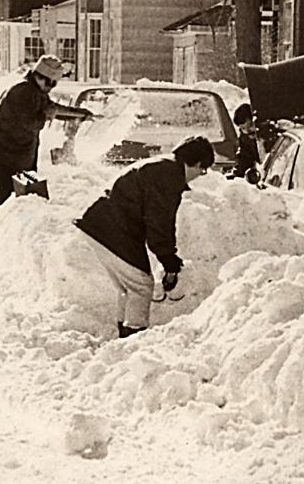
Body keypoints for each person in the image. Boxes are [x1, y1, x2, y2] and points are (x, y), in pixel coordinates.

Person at [75, 136, 215, 338]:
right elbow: (159, 224)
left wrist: (168, 258)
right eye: (203, 170)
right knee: (141, 285)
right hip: (113, 228)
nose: (200, 175)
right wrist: (169, 261)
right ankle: (133, 338)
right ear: (197, 163)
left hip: (102, 224)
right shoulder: (168, 177)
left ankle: (125, 334)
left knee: (130, 287)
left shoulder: (164, 166)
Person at [0, 54, 93, 234]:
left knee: (17, 197)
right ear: (40, 77)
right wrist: (45, 116)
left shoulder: (36, 92)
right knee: (7, 195)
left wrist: (80, 114)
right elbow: (29, 123)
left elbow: (53, 108)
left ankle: (6, 235)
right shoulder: (22, 92)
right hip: (4, 155)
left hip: (19, 155)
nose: (51, 88)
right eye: (51, 84)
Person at [228, 103, 260, 183]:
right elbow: (244, 158)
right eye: (243, 128)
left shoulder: (267, 137)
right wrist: (237, 175)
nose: (247, 131)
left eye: (250, 126)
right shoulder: (245, 140)